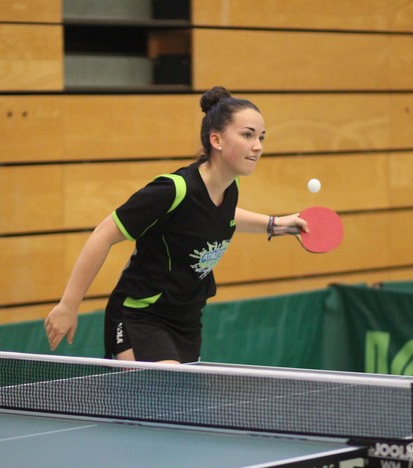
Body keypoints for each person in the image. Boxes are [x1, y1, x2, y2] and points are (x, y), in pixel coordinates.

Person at [44, 86, 308, 363]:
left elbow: (223, 214)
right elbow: (103, 234)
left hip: (187, 320)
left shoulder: (229, 187)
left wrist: (276, 224)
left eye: (261, 137)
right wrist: (68, 305)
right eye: (247, 135)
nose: (258, 146)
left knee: (178, 391)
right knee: (164, 385)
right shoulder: (172, 190)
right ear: (216, 140)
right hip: (140, 315)